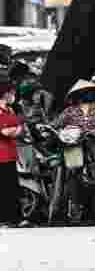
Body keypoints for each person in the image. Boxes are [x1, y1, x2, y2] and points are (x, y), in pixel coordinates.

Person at [56, 80, 95, 223]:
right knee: (73, 177)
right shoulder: (69, 111)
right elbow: (57, 124)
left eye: (89, 93)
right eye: (83, 93)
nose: (87, 95)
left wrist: (93, 132)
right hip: (74, 148)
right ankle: (74, 208)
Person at [0, 78, 28, 228]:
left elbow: (17, 128)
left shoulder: (9, 110)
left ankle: (15, 218)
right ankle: (5, 219)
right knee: (4, 188)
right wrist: (16, 129)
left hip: (10, 153)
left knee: (12, 187)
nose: (13, 95)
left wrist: (16, 129)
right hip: (1, 154)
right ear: (5, 93)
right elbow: (6, 131)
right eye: (11, 92)